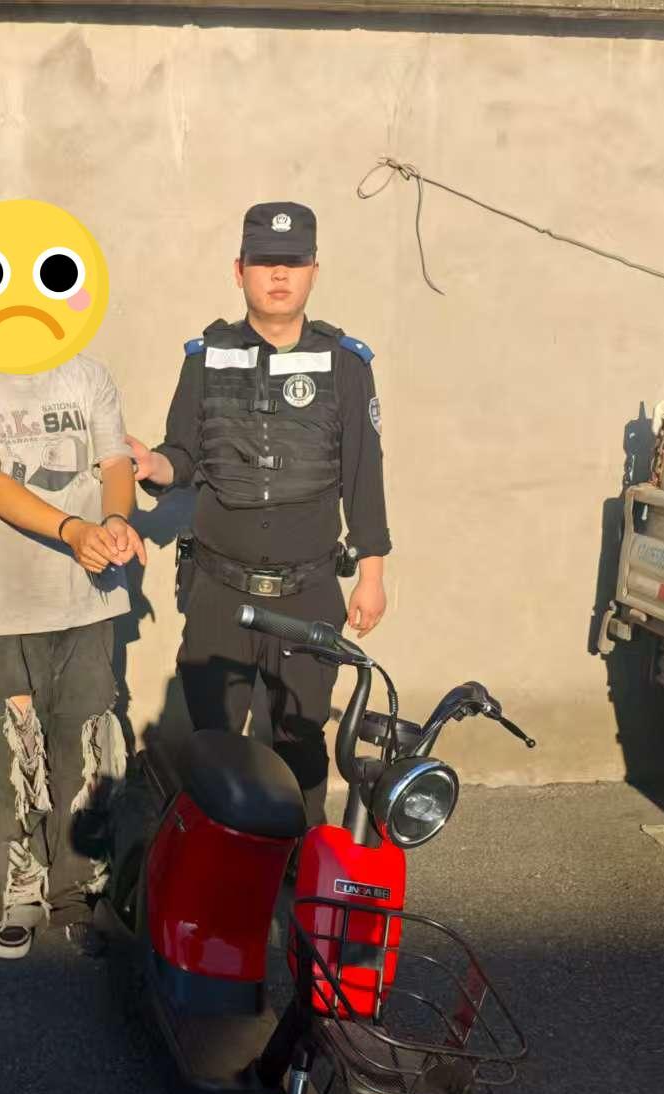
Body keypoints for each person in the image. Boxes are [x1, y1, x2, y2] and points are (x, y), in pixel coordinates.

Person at [128, 201, 391, 827]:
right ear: (239, 269)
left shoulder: (345, 364)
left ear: (314, 271)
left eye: (292, 263)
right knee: (215, 744)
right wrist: (155, 466)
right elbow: (183, 453)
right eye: (265, 262)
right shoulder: (206, 357)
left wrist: (372, 576)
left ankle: (301, 863)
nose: (279, 275)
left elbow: (364, 474)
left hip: (308, 591)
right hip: (220, 591)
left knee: (300, 739)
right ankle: (219, 864)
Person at [0, 356, 145, 959]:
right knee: (15, 759)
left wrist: (115, 520)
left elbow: (115, 461)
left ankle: (77, 893)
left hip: (90, 604)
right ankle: (14, 895)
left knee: (86, 755)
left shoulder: (89, 374)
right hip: (6, 610)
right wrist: (74, 531)